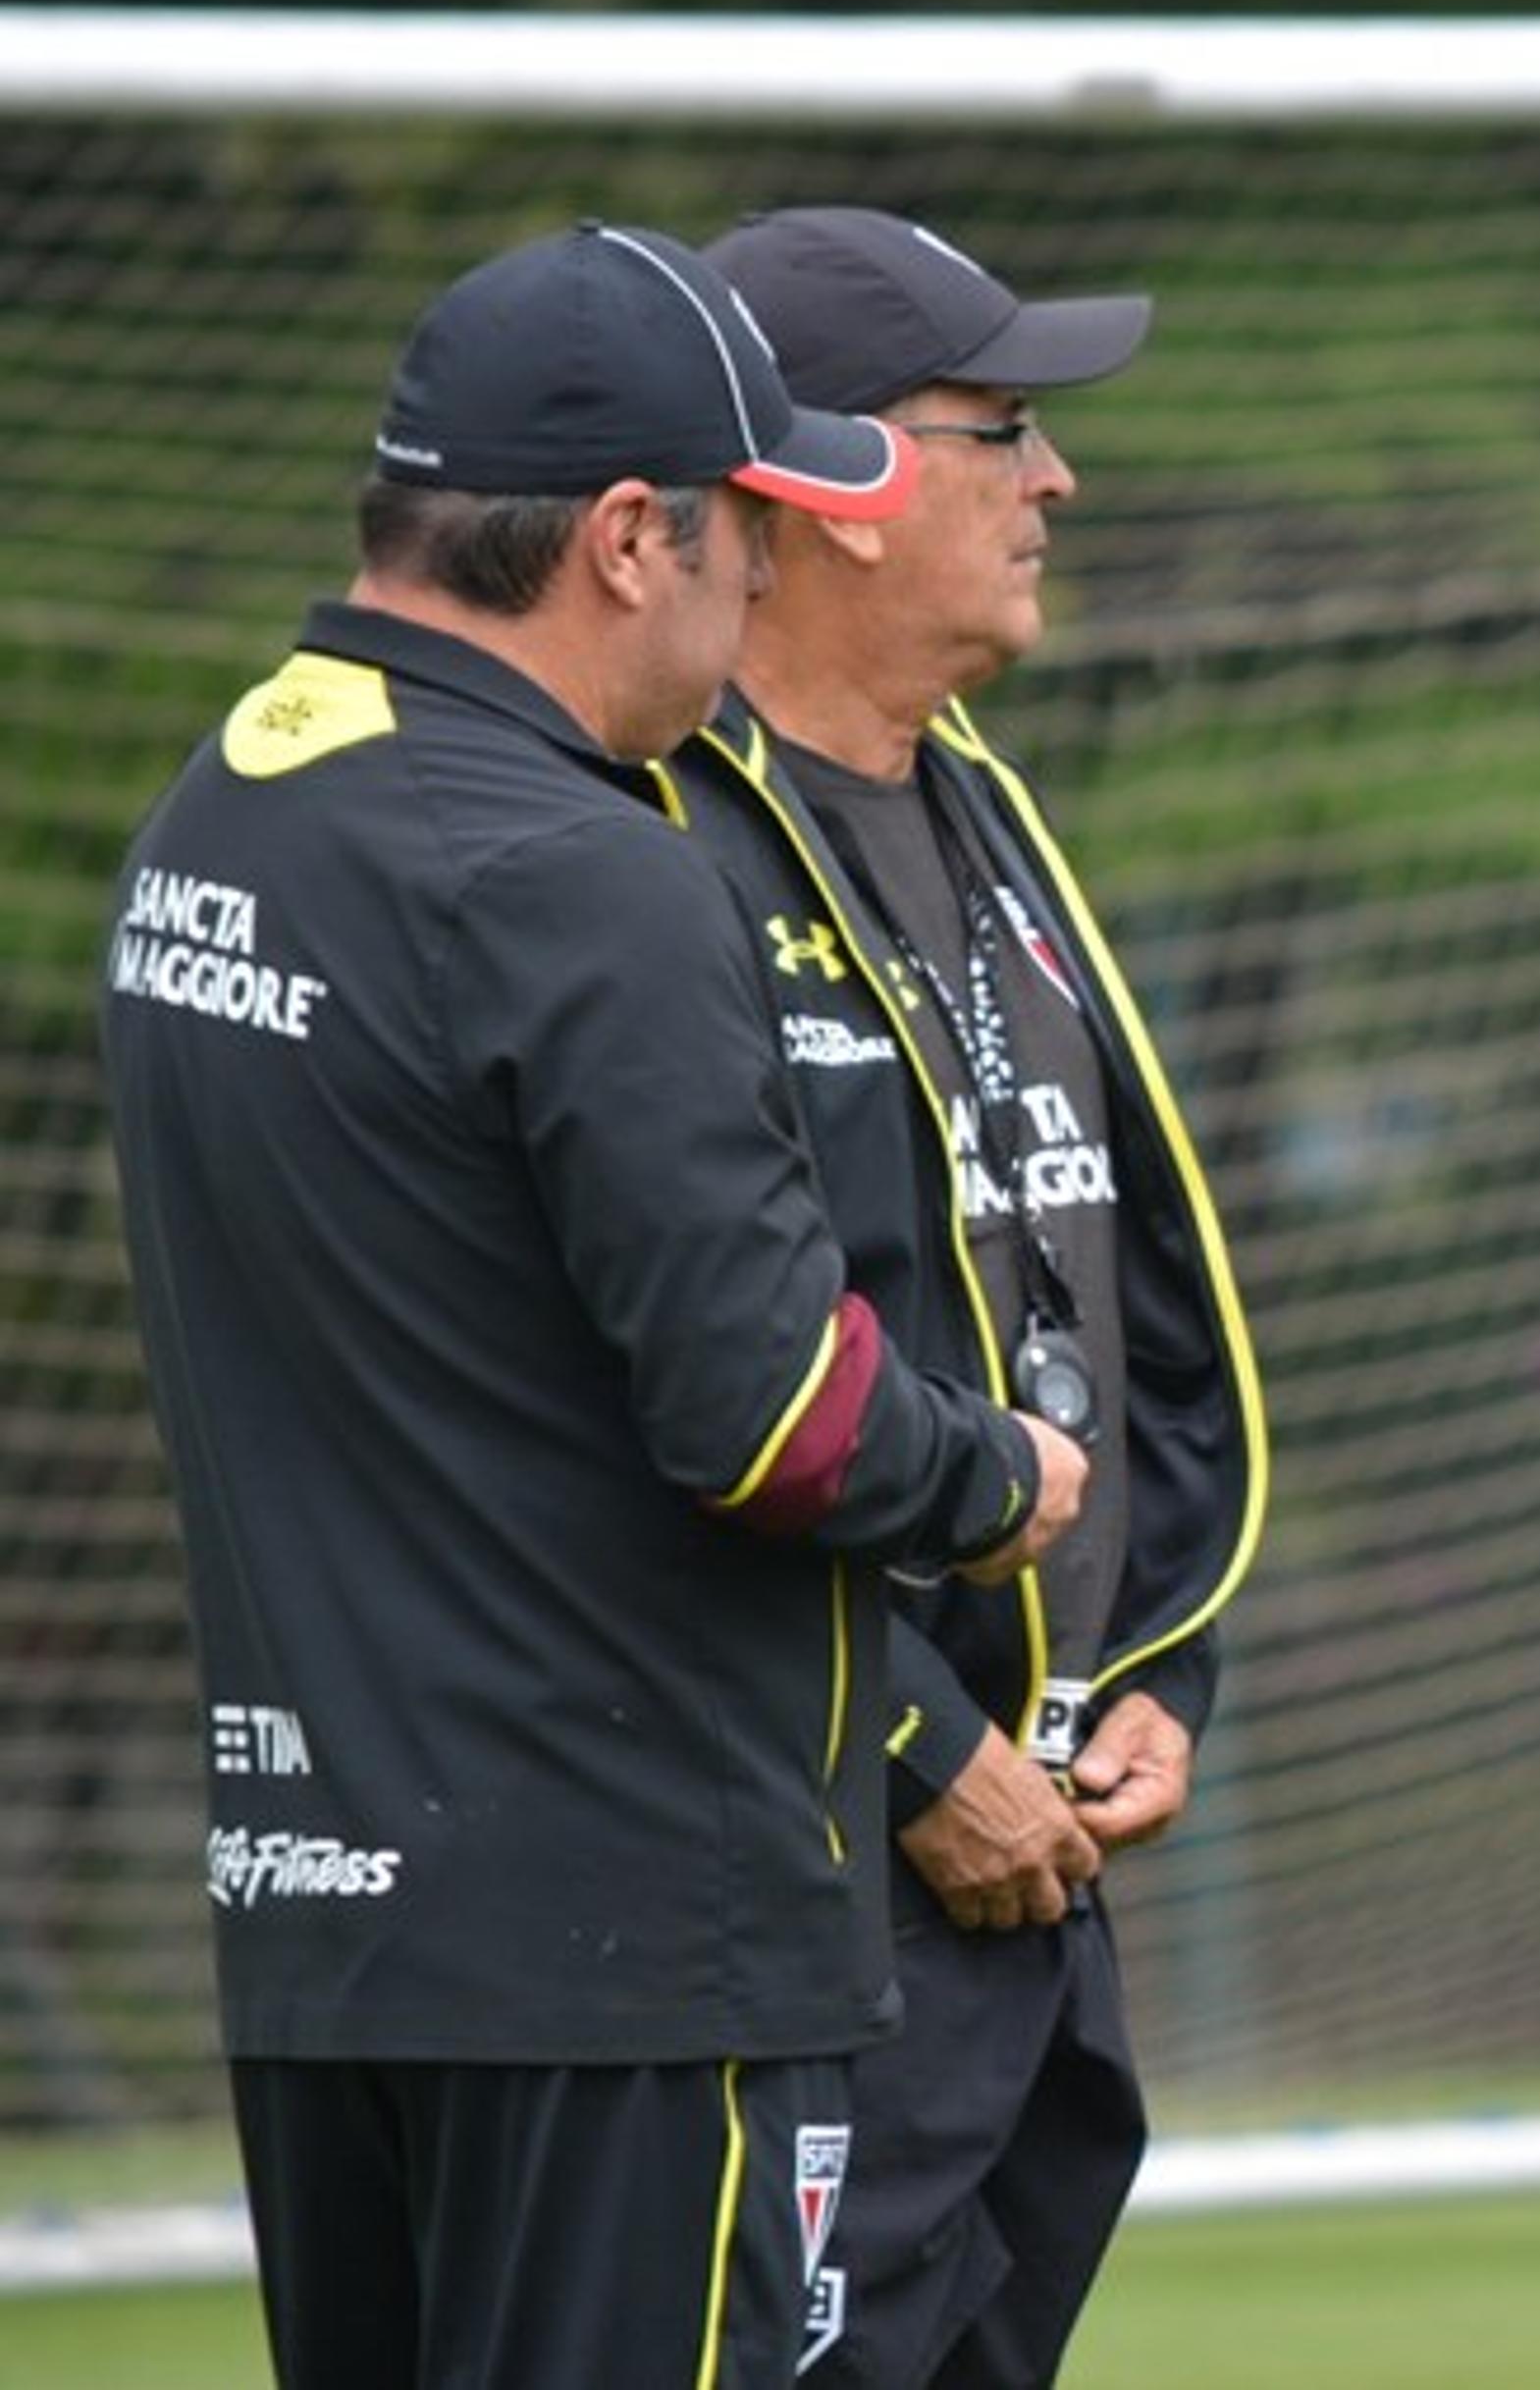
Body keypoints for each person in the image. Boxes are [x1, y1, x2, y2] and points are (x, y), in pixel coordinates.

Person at [100, 223, 1089, 2390]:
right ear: (630, 538)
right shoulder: (583, 865)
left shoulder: (222, 815)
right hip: (631, 1950)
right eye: (748, 534)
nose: (756, 598)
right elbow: (777, 1421)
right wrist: (996, 1468)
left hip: (329, 1929)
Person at [666, 206, 1267, 2390]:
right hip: (802, 1897)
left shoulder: (992, 812)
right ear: (818, 488)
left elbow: (1146, 1303)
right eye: (999, 429)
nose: (1056, 480)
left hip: (1039, 1896)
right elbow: (643, 1402)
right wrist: (917, 1747)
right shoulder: (650, 849)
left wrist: (1174, 1670)